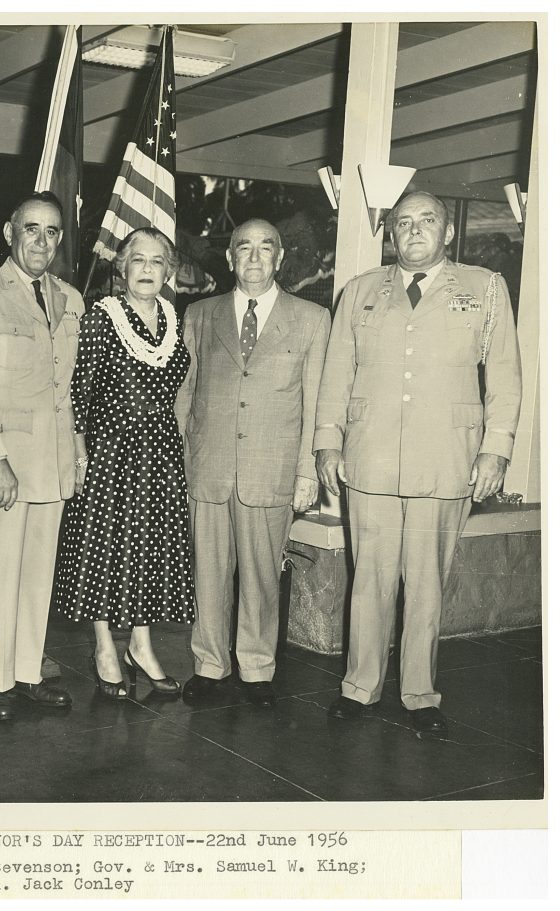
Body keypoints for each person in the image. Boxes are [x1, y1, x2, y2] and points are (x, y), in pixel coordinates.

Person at [316, 191, 521, 734]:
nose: (413, 230)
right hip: (371, 456)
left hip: (445, 457)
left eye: (426, 220)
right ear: (391, 233)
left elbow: (504, 376)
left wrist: (495, 449)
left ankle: (420, 695)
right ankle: (359, 688)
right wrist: (327, 442)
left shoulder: (485, 289)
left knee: (427, 582)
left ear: (447, 232)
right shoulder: (359, 291)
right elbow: (336, 374)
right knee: (370, 581)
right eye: (403, 222)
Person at [175, 219, 331, 707]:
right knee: (209, 573)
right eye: (245, 249)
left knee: (263, 576)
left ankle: (258, 670)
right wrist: (183, 458)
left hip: (272, 470)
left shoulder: (310, 318)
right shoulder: (200, 313)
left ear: (280, 258)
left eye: (266, 249)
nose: (255, 258)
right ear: (230, 259)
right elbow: (185, 393)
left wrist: (308, 472)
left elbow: (316, 404)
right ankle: (209, 664)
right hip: (209, 467)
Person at [0, 191, 84, 721]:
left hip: (51, 461)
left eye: (52, 232)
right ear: (10, 232)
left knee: (37, 574)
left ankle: (27, 672)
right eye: (32, 229)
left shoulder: (70, 299)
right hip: (4, 460)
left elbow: (66, 388)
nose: (42, 241)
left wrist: (75, 454)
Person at [52, 227, 194, 698]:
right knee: (106, 550)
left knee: (149, 553)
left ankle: (141, 646)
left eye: (157, 261)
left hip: (161, 455)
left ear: (169, 271)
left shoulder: (175, 319)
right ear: (122, 267)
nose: (148, 269)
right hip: (111, 453)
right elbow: (78, 391)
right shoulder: (101, 317)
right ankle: (103, 648)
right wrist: (78, 452)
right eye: (138, 260)